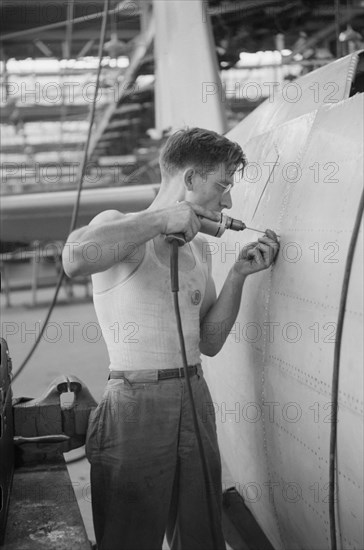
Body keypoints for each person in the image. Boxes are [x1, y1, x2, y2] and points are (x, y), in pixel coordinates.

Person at [62, 127, 279, 550]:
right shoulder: (120, 228)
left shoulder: (201, 250)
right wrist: (161, 219)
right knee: (130, 537)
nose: (228, 201)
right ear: (191, 179)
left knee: (201, 534)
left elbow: (209, 342)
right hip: (135, 402)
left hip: (194, 394)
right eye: (223, 185)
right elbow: (74, 258)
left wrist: (238, 276)